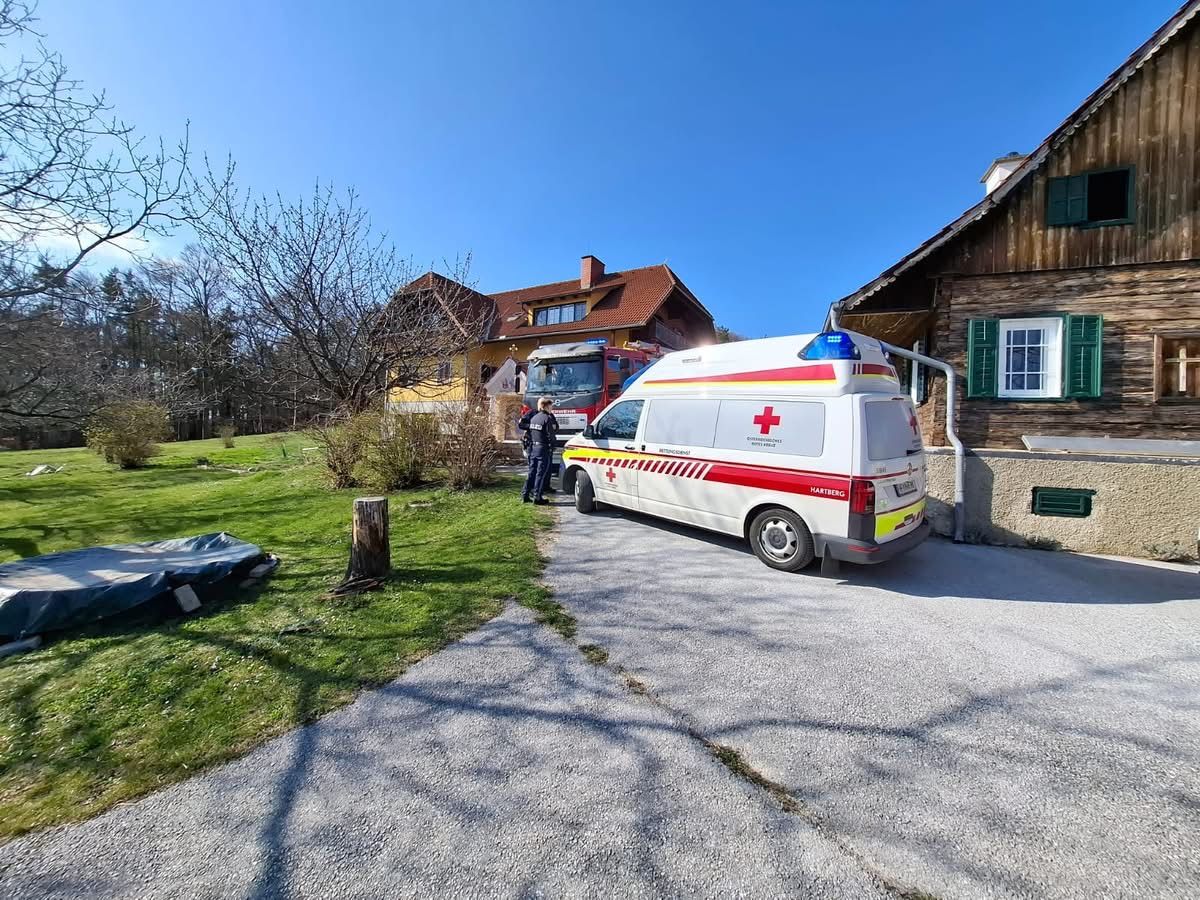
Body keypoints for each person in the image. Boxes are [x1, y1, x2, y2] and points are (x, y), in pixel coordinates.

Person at [518, 397, 558, 505]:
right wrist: (553, 445)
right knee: (540, 473)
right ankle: (537, 497)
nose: (552, 409)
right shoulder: (547, 418)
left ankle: (525, 495)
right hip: (543, 449)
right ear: (547, 406)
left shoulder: (534, 418)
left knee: (532, 472)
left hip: (533, 448)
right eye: (551, 407)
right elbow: (551, 435)